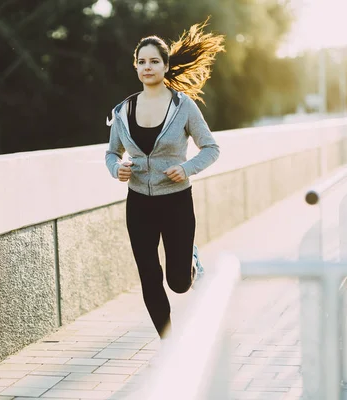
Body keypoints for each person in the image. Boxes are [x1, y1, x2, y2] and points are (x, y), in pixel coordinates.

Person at [105, 20, 225, 339]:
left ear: (165, 65)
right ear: (136, 67)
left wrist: (186, 169)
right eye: (141, 61)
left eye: (154, 61)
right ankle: (169, 342)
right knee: (149, 275)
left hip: (176, 202)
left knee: (178, 283)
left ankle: (191, 263)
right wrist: (117, 169)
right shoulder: (122, 111)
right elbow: (111, 153)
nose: (148, 67)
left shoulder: (182, 107)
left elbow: (211, 148)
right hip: (138, 203)